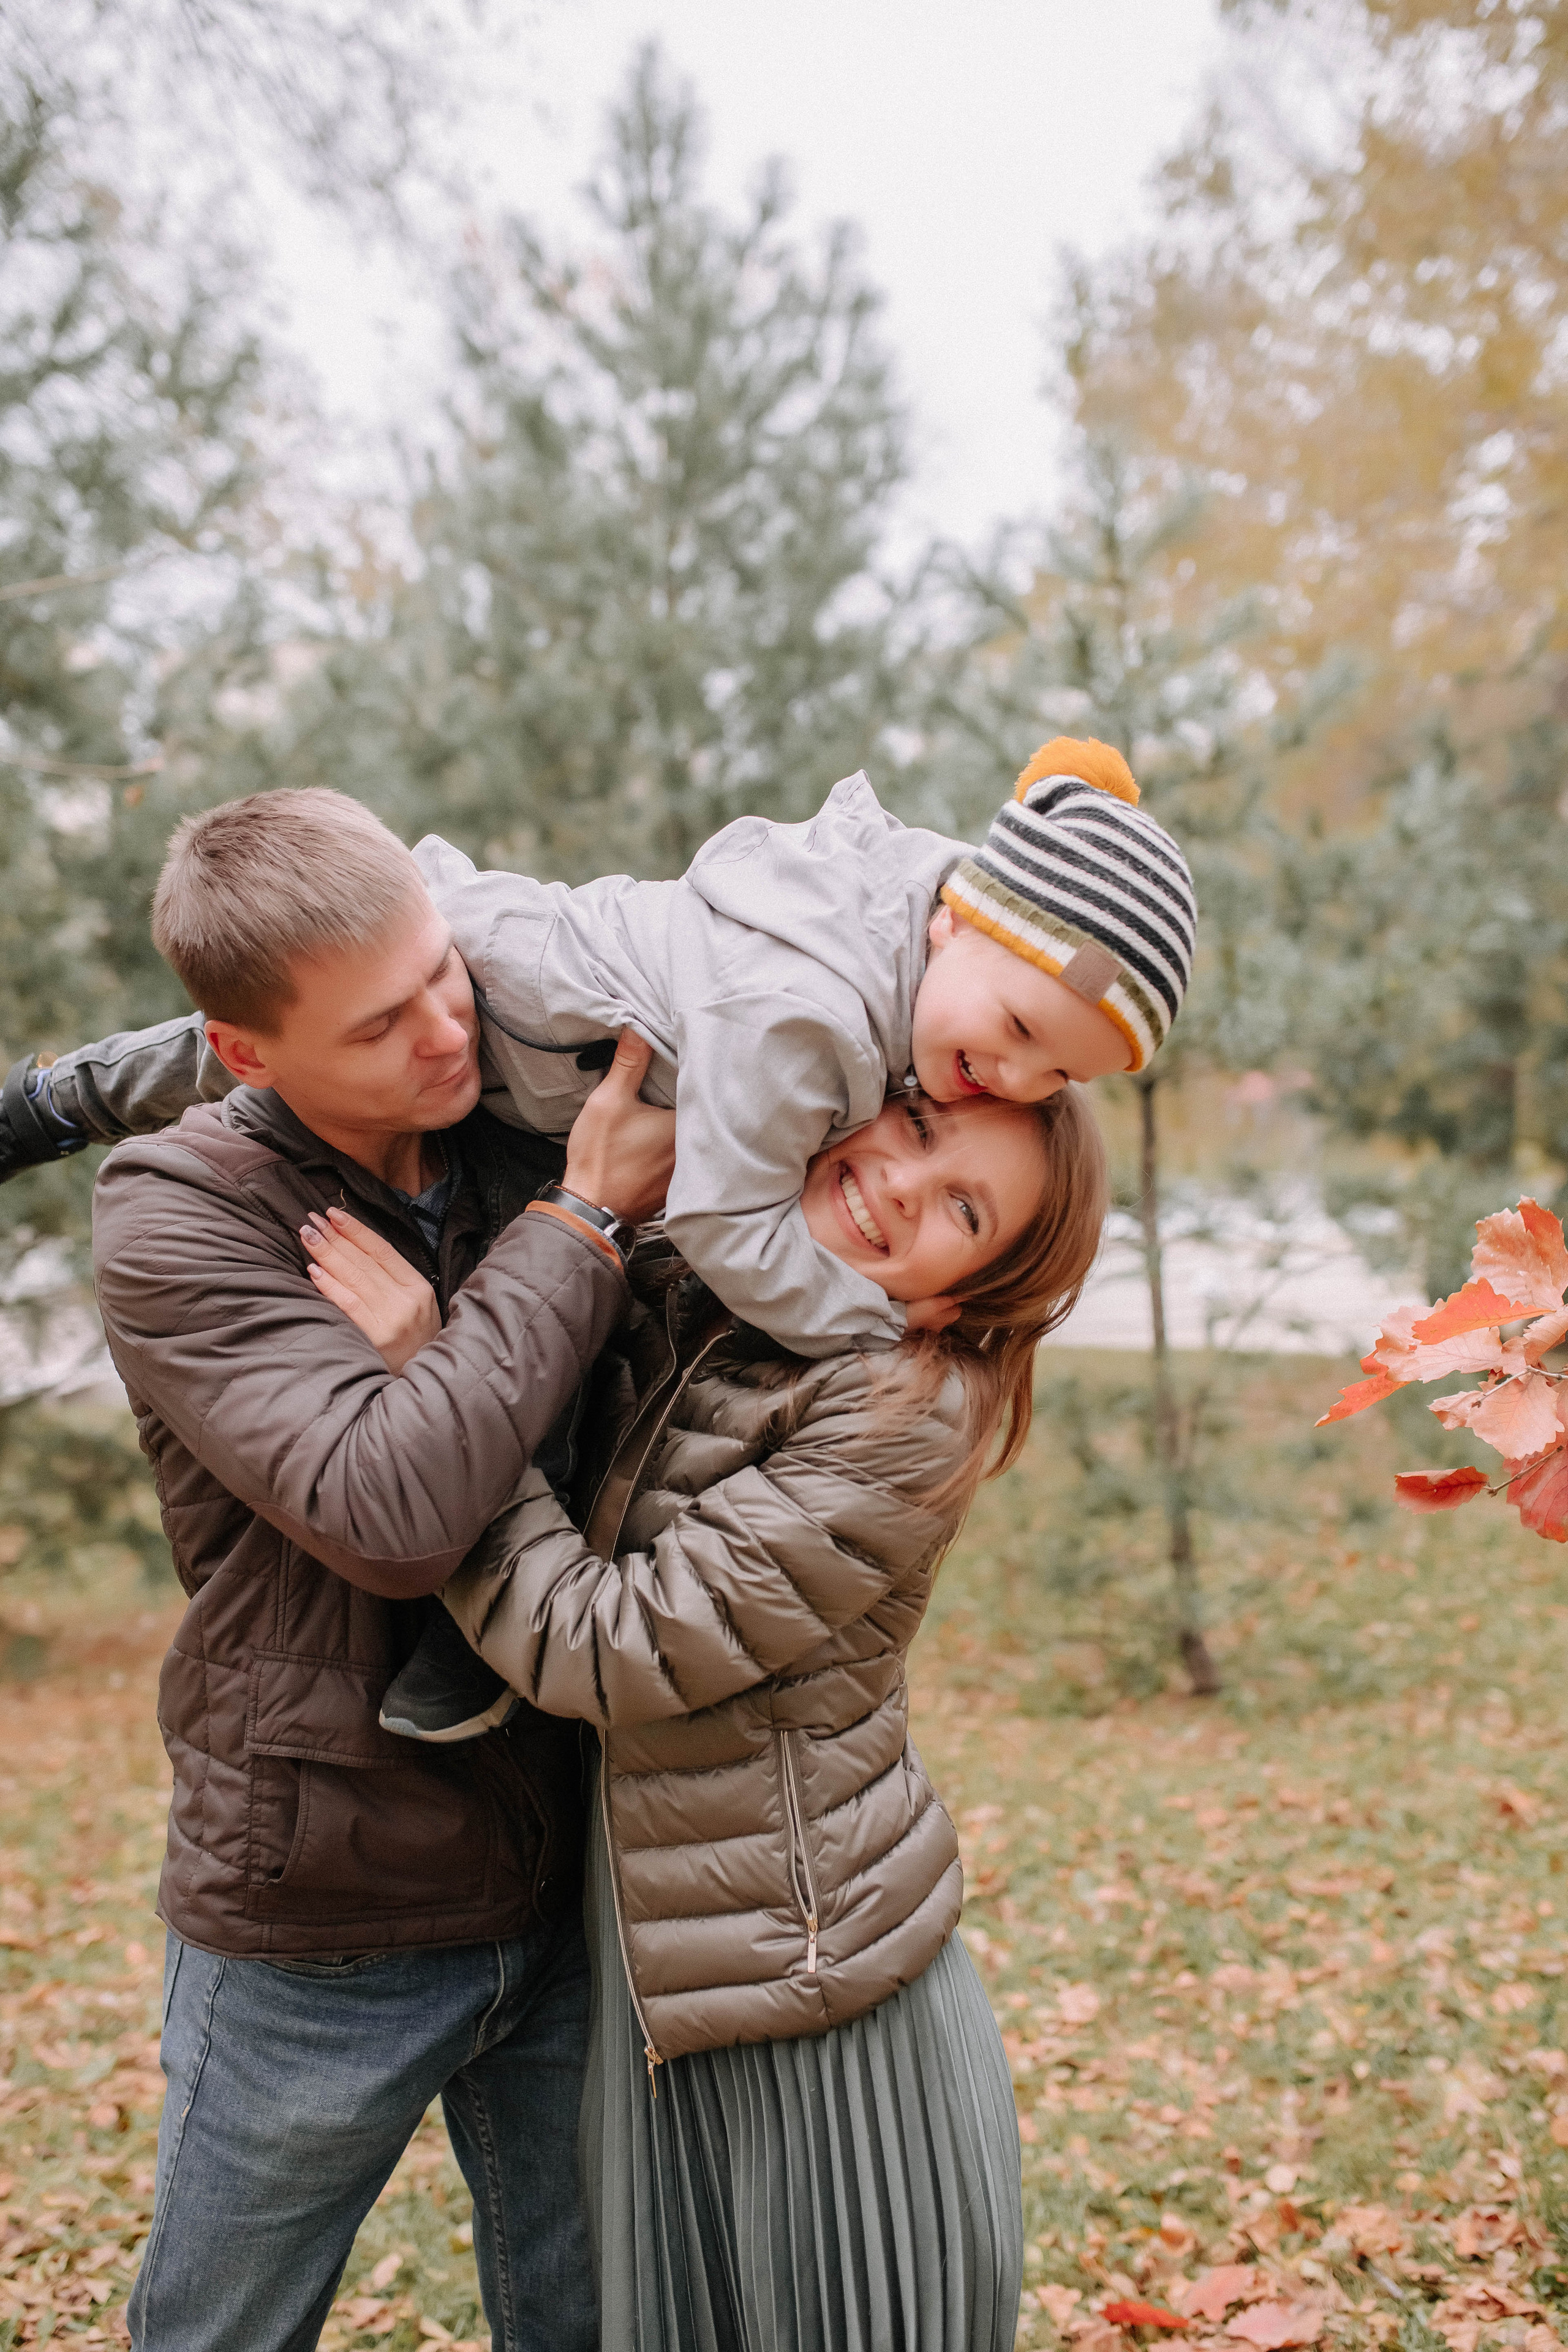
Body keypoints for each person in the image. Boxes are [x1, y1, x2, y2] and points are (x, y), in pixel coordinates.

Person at [1, 738, 1195, 1743]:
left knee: (304, 1067)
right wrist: (864, 1315)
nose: (1016, 1078)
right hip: (518, 1028)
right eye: (1024, 1032)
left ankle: (59, 1097)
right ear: (954, 925)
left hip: (527, 1003)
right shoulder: (811, 1011)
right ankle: (59, 1101)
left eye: (1055, 1073)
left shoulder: (896, 963)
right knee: (275, 1037)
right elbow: (729, 1219)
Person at [301, 1076, 1110, 2351]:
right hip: (669, 1951)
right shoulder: (703, 1267)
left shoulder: (899, 1409)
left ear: (962, 1298)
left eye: (961, 1207)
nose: (898, 1182)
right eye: (912, 1128)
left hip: (803, 1981)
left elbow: (601, 1648)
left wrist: (443, 1383)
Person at [77, 789, 680, 2352]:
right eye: (375, 1025)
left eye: (440, 974)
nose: (439, 1034)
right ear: (246, 1053)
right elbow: (397, 1509)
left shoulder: (506, 1098)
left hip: (565, 1869)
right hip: (319, 1905)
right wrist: (586, 1223)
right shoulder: (180, 1214)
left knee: (594, 2318)